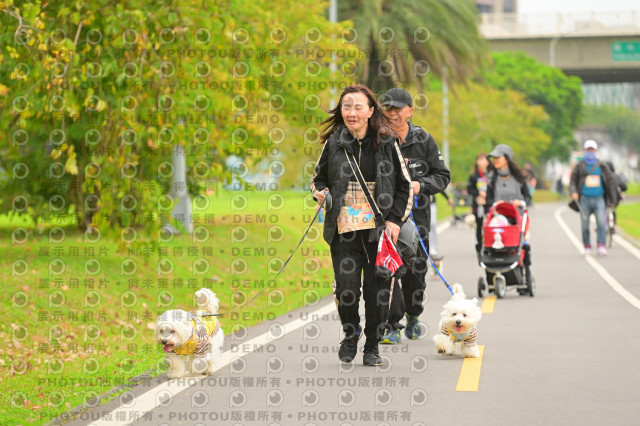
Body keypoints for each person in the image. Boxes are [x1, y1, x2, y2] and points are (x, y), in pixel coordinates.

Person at [310, 85, 413, 365]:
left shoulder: (387, 142)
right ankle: (351, 333)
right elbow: (318, 179)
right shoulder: (334, 142)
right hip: (344, 230)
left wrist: (394, 221)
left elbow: (404, 186)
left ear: (370, 111)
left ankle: (372, 346)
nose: (352, 112)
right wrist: (320, 192)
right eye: (347, 106)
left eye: (358, 107)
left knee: (377, 292)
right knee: (346, 290)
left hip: (379, 232)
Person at [378, 88, 450, 344]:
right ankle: (391, 324)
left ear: (409, 111)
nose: (393, 114)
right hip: (386, 219)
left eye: (398, 109)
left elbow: (442, 176)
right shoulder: (377, 139)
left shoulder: (423, 139)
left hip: (417, 219)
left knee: (415, 273)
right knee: (387, 270)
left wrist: (420, 185)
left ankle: (413, 314)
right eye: (388, 108)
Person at [485, 144, 532, 273]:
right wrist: (496, 203)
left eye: (498, 157)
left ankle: (526, 271)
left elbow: (528, 198)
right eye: (494, 158)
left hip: (517, 219)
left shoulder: (519, 177)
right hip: (498, 219)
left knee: (524, 245)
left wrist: (520, 202)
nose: (495, 160)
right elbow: (488, 200)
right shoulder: (491, 178)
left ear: (506, 159)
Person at [569, 140, 617, 256]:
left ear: (595, 151)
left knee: (601, 223)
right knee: (585, 224)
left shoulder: (602, 166)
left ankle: (601, 245)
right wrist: (573, 192)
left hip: (599, 198)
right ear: (585, 150)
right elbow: (573, 181)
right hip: (584, 199)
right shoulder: (580, 166)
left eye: (592, 150)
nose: (590, 152)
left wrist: (612, 199)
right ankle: (587, 246)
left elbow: (610, 183)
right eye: (588, 150)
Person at [467, 153, 489, 255]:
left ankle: (489, 244)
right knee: (479, 225)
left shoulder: (491, 174)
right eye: (479, 160)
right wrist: (479, 193)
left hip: (489, 204)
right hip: (478, 205)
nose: (481, 162)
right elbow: (469, 190)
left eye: (483, 160)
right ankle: (480, 245)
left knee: (490, 224)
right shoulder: (474, 176)